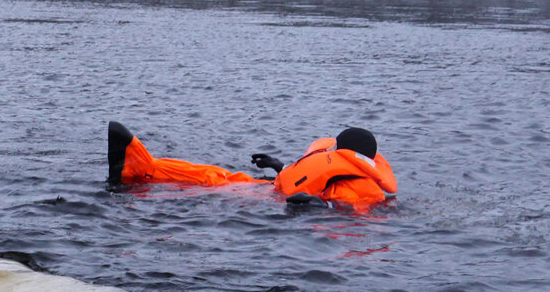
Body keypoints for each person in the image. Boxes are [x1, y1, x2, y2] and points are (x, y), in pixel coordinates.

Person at [108, 121, 396, 208]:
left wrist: (320, 207)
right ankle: (137, 164)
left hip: (268, 200)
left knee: (210, 183)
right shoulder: (339, 168)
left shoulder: (363, 189)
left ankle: (135, 172)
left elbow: (344, 206)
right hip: (269, 188)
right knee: (213, 174)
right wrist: (280, 167)